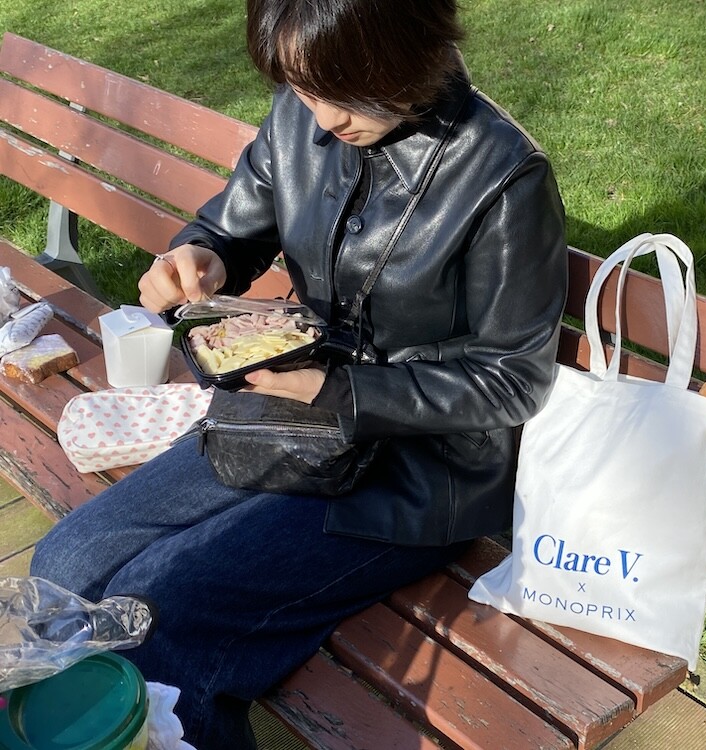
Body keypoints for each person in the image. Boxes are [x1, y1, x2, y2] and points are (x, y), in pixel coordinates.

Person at [29, 0, 567, 747]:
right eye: (305, 89)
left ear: (408, 50)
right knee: (67, 565)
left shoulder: (503, 177)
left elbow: (512, 380)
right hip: (289, 417)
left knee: (159, 611)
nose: (322, 118)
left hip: (418, 472)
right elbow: (234, 225)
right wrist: (204, 255)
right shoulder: (303, 112)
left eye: (343, 92)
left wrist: (337, 390)